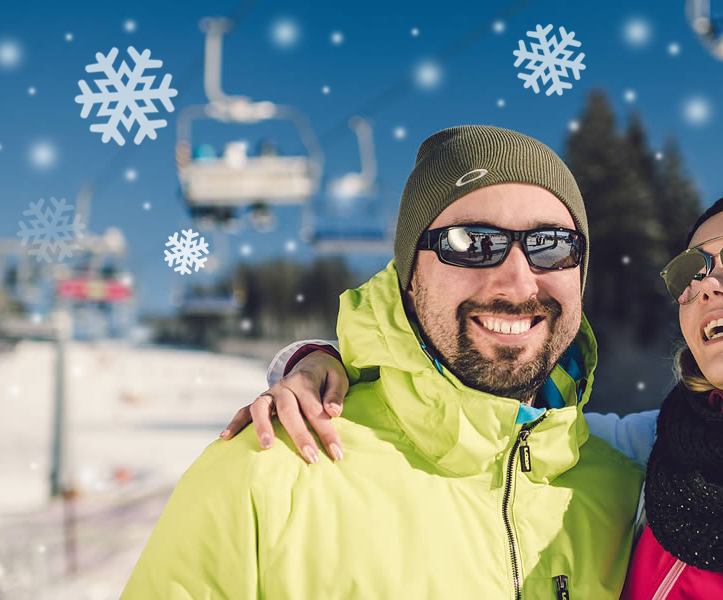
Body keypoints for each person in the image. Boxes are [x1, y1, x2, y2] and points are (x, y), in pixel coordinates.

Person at [228, 186, 723, 599]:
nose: (712, 281)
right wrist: (333, 366)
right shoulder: (656, 456)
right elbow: (484, 421)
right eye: (693, 267)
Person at [121, 125, 645, 598]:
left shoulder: (632, 498)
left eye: (551, 245)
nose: (517, 280)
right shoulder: (269, 475)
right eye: (472, 244)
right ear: (409, 279)